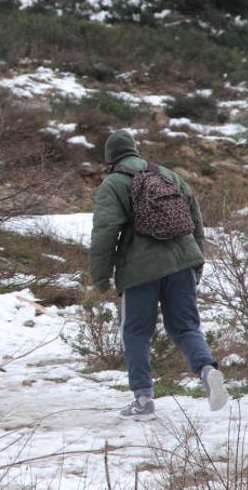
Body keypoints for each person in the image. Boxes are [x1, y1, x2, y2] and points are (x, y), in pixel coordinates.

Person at [90, 130, 228, 419]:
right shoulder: (168, 175)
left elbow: (105, 232)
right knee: (186, 327)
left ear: (110, 159)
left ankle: (143, 400)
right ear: (136, 150)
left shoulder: (113, 184)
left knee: (136, 332)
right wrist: (197, 261)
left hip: (141, 270)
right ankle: (206, 369)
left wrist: (101, 276)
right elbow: (195, 220)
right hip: (183, 262)